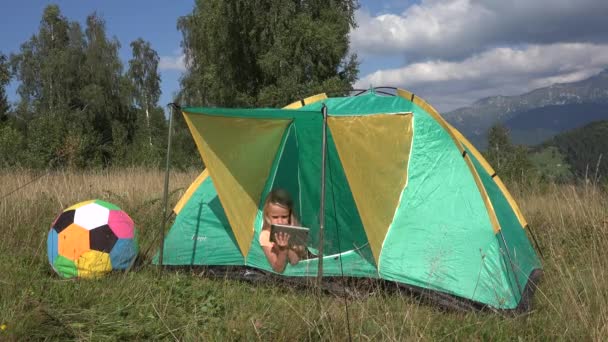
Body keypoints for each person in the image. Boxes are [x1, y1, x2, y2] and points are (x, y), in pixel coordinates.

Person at [259, 189, 306, 273]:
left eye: (284, 217)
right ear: (267, 216)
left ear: (290, 216)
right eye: (275, 217)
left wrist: (290, 239)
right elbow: (278, 269)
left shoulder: (294, 230)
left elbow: (295, 261)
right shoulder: (265, 235)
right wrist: (282, 250)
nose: (280, 222)